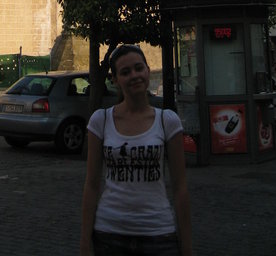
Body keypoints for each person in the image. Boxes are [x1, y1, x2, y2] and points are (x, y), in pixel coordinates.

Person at [80, 44, 192, 256]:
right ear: (115, 80)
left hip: (158, 234)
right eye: (125, 72)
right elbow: (92, 185)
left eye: (139, 68)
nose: (134, 76)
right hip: (109, 233)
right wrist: (85, 242)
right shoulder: (100, 121)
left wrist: (186, 247)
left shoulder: (167, 121)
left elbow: (180, 188)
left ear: (148, 70)